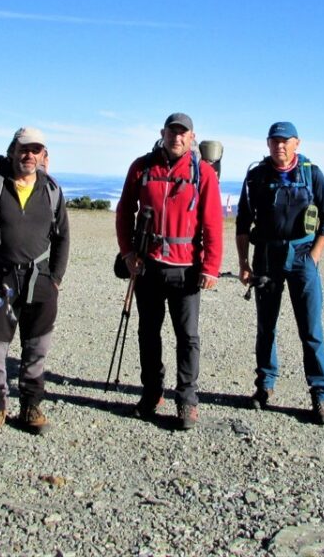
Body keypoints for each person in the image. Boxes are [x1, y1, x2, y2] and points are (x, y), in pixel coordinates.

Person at [115, 113, 223, 429]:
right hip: (147, 266)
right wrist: (128, 253)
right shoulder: (142, 167)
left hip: (186, 269)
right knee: (148, 333)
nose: (177, 137)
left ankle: (187, 400)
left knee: (187, 337)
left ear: (192, 138)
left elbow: (213, 222)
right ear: (162, 133)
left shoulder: (202, 173)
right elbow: (124, 212)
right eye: (172, 132)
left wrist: (211, 266)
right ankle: (152, 393)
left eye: (183, 133)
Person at [0, 127, 69, 437]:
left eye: (36, 150)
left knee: (37, 347)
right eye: (24, 149)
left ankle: (31, 406)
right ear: (12, 151)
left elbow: (62, 236)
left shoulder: (51, 190)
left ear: (42, 155)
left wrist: (57, 278)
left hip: (40, 281)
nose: (29, 155)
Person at [235, 121, 324, 424]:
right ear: (267, 144)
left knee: (310, 329)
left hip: (303, 256)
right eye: (274, 141)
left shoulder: (311, 174)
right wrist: (243, 263)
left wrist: (315, 255)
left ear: (297, 143)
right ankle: (265, 387)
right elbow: (242, 222)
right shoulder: (256, 176)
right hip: (265, 256)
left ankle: (321, 396)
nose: (279, 146)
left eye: (285, 141)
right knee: (266, 326)